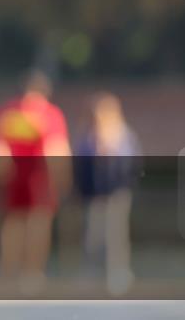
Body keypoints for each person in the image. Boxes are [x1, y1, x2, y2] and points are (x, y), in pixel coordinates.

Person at [0, 69, 71, 294]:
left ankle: (15, 272)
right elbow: (57, 149)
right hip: (31, 177)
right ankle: (25, 272)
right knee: (29, 224)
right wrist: (62, 180)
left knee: (22, 224)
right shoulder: (48, 114)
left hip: (26, 177)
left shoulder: (11, 112)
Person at [73, 92, 141, 295]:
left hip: (117, 193)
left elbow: (132, 164)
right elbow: (81, 164)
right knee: (93, 234)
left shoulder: (123, 135)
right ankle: (92, 272)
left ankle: (118, 272)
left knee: (116, 234)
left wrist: (110, 154)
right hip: (94, 194)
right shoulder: (87, 136)